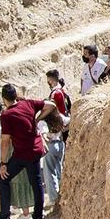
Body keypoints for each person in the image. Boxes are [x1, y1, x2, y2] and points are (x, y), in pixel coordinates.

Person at [0, 82, 49, 219]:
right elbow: (51, 105)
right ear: (16, 95)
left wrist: (3, 163)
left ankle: (4, 216)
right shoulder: (28, 104)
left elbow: (5, 141)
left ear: (4, 99)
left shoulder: (6, 115)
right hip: (35, 150)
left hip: (21, 153)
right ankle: (38, 214)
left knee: (2, 179)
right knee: (36, 182)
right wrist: (37, 119)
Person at [41, 68, 72, 205]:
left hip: (52, 138)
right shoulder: (63, 91)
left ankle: (54, 198)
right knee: (59, 167)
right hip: (61, 136)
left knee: (50, 171)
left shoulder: (55, 94)